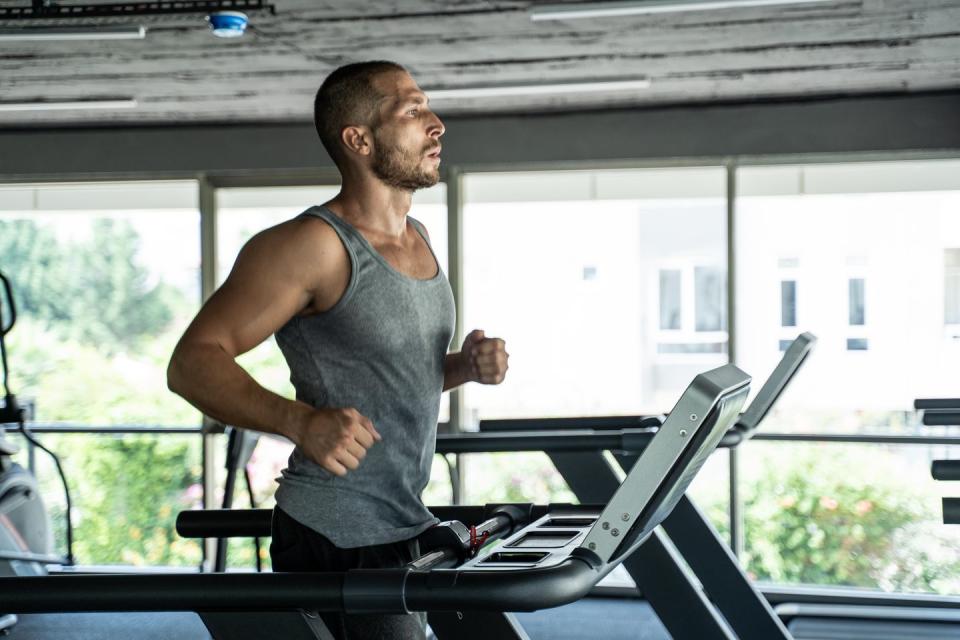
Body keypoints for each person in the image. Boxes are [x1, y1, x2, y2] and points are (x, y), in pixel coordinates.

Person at [166, 60, 509, 639]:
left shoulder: (418, 239)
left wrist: (462, 368)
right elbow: (193, 362)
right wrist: (300, 421)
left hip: (401, 517)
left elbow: (387, 376)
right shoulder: (311, 246)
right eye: (413, 110)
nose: (437, 124)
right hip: (337, 532)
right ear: (359, 139)